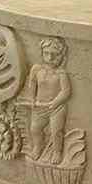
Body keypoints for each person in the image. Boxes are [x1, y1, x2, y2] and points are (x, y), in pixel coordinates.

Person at [24, 37, 72, 165]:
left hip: (57, 107)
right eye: (46, 53)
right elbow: (32, 84)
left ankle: (57, 152)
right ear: (42, 53)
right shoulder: (36, 69)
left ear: (61, 56)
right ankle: (38, 146)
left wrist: (54, 103)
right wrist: (32, 99)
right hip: (40, 106)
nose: (50, 58)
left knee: (56, 131)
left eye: (54, 54)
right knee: (34, 129)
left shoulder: (61, 73)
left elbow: (66, 91)